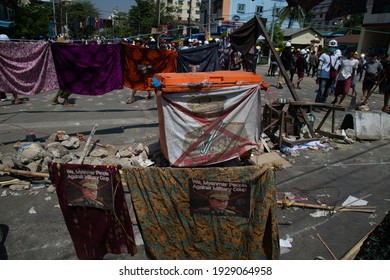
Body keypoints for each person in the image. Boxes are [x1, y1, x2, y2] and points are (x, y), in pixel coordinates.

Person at [314, 39, 341, 110]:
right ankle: (316, 105)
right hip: (323, 76)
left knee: (327, 92)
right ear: (328, 47)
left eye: (334, 47)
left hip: (331, 77)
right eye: (331, 47)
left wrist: (335, 78)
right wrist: (318, 76)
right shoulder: (324, 55)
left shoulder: (337, 57)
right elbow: (320, 66)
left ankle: (322, 105)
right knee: (321, 91)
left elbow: (337, 68)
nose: (332, 48)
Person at [127, 37, 154, 104]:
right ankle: (150, 93)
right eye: (136, 42)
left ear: (140, 43)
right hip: (138, 68)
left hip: (144, 68)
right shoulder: (134, 49)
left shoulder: (143, 49)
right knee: (143, 81)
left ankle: (131, 97)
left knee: (139, 82)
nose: (136, 43)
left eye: (138, 42)